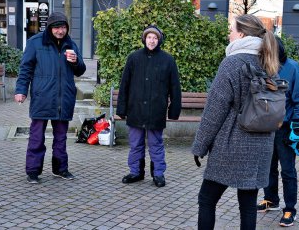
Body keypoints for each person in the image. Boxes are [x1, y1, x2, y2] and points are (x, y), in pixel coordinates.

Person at [192, 14, 280, 230]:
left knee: (207, 199)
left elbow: (214, 111)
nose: (229, 34)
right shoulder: (267, 61)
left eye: (231, 30)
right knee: (248, 207)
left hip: (231, 145)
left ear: (241, 34)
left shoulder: (232, 63)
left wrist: (199, 146)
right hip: (261, 146)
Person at [14, 11, 86, 184]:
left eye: (63, 27)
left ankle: (61, 169)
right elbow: (25, 69)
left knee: (61, 137)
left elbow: (81, 70)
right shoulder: (35, 42)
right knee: (37, 136)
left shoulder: (71, 44)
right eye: (57, 27)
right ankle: (32, 171)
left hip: (64, 99)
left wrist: (76, 61)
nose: (60, 31)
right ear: (50, 28)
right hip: (42, 97)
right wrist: (21, 90)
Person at [117, 25, 181, 188]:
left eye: (155, 38)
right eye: (149, 37)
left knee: (156, 144)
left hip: (156, 110)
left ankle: (158, 174)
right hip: (136, 109)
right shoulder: (134, 58)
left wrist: (174, 110)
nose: (151, 41)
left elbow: (175, 87)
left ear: (159, 40)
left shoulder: (168, 60)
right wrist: (122, 109)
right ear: (144, 39)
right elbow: (124, 84)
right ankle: (136, 172)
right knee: (135, 143)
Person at [256, 37, 299, 227]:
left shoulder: (292, 68)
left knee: (287, 170)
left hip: (285, 127)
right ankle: (270, 199)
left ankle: (290, 209)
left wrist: (296, 126)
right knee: (267, 167)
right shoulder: (262, 67)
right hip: (266, 127)